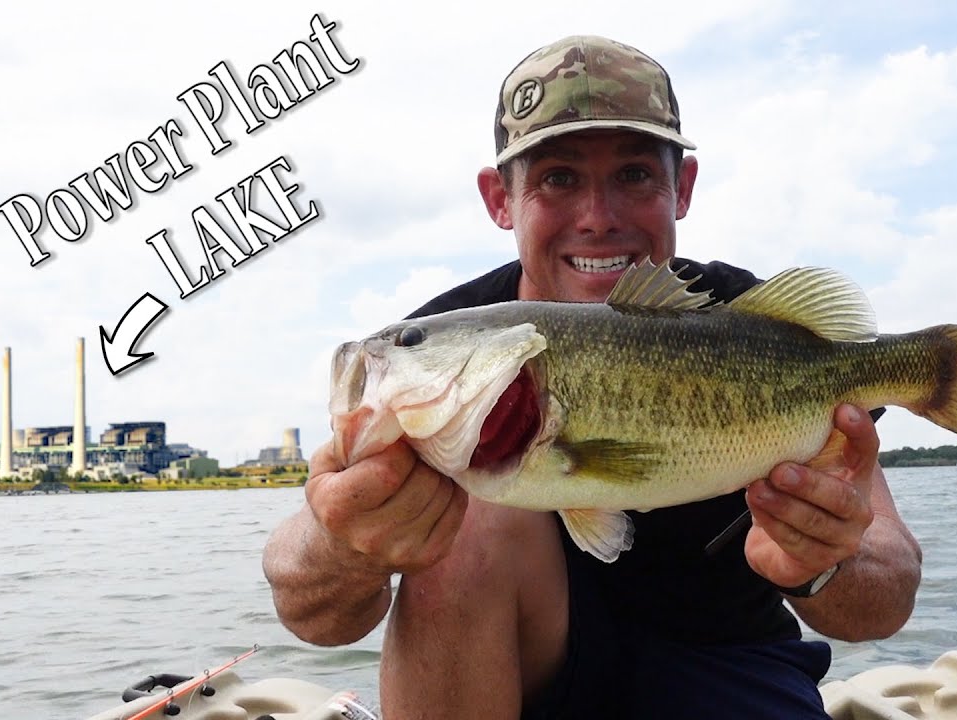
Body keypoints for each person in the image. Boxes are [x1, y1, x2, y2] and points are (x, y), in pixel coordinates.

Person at [263, 35, 922, 719]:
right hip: (520, 670)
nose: (598, 218)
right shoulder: (448, 342)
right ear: (500, 199)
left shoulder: (760, 333)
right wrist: (342, 544)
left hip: (730, 658)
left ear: (683, 188)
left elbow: (885, 598)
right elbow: (311, 614)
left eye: (635, 174)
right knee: (467, 524)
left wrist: (823, 560)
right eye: (557, 178)